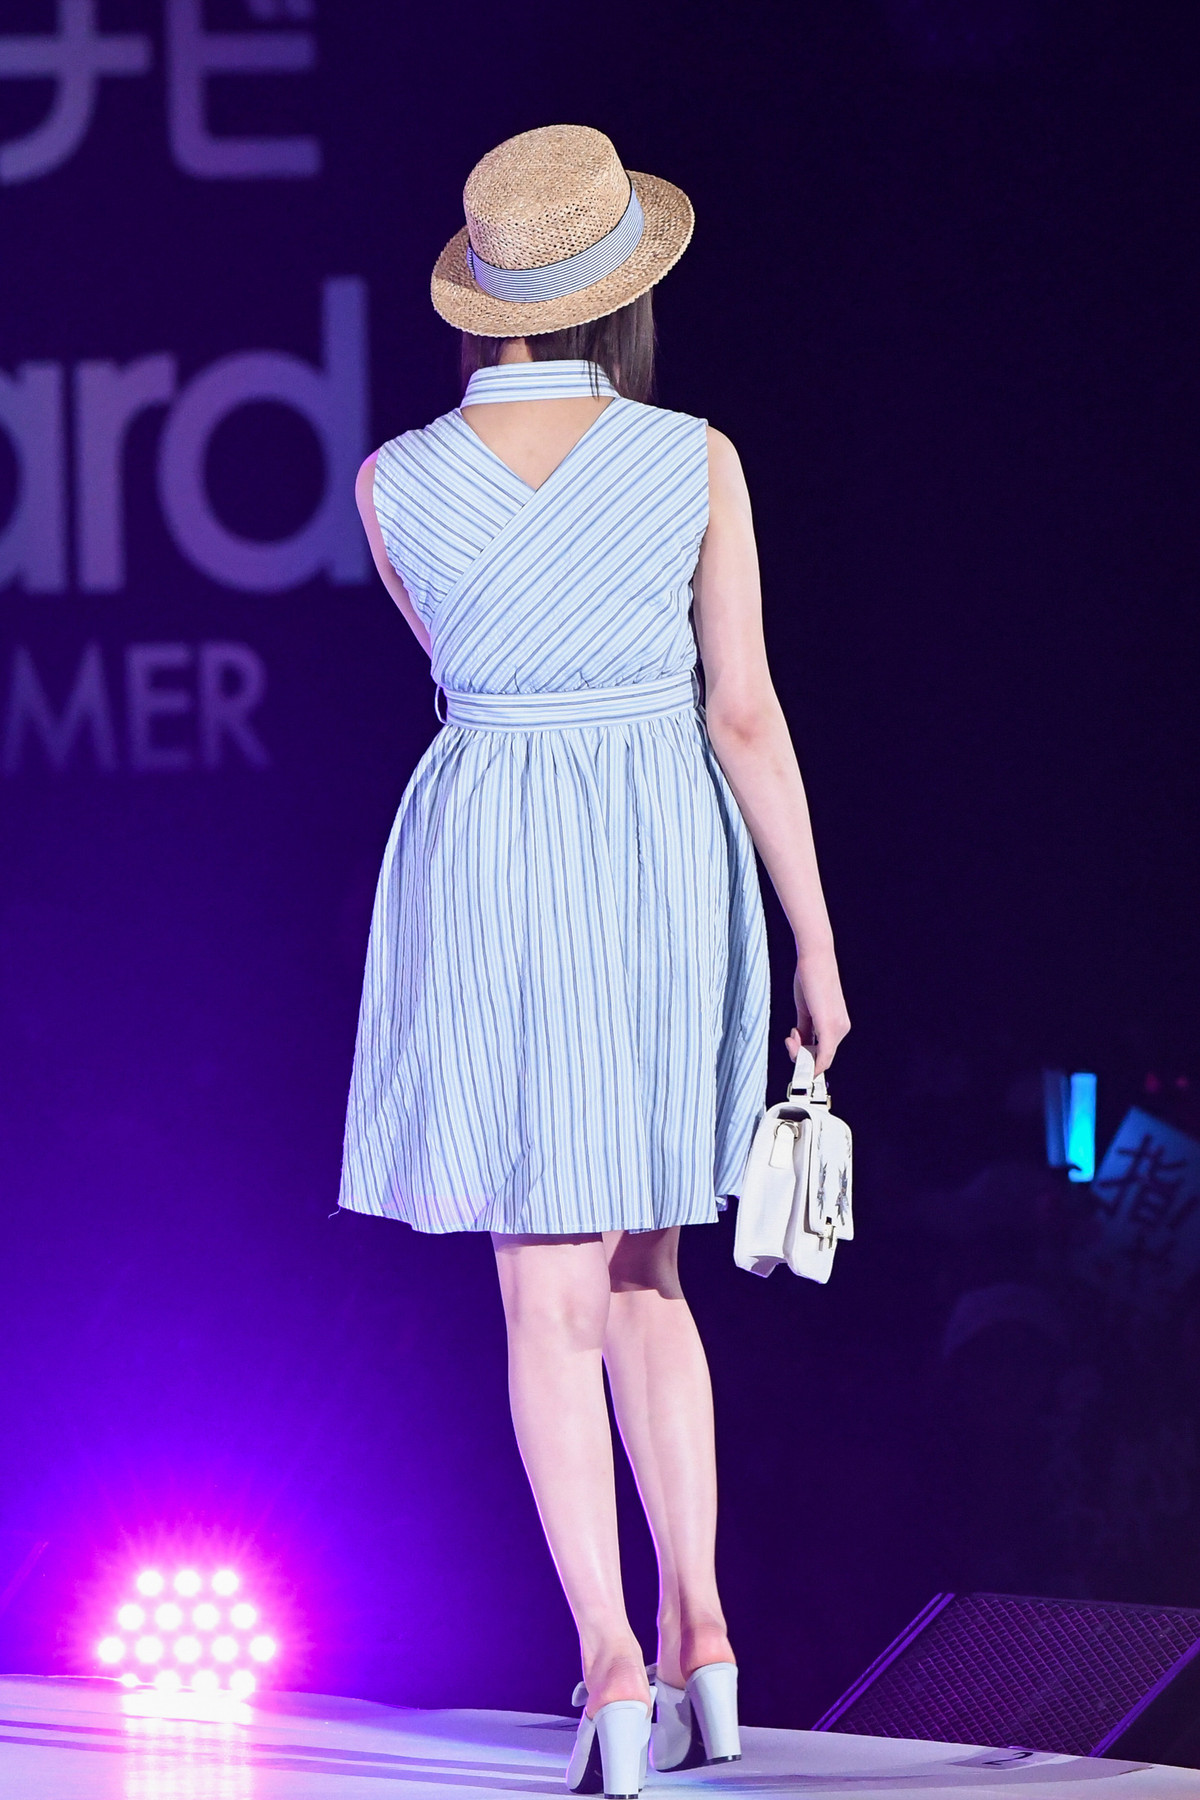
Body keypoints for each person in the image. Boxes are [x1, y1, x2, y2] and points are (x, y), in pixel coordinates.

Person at [338, 124, 850, 1797]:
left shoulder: (394, 481)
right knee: (644, 1277)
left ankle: (614, 1667)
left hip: (494, 857)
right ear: (622, 290)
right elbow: (743, 712)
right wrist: (815, 938)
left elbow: (469, 679)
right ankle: (705, 1640)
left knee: (544, 1299)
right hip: (657, 854)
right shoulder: (691, 457)